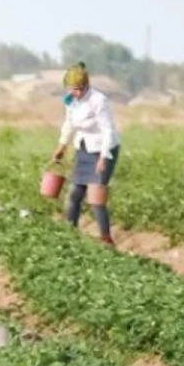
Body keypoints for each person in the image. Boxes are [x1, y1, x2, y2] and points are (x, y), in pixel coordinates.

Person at [52, 63, 121, 242]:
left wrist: (103, 157)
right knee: (75, 193)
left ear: (85, 86)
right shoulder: (71, 100)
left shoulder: (98, 100)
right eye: (72, 89)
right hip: (83, 147)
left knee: (96, 197)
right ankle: (70, 234)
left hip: (102, 148)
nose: (75, 92)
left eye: (78, 89)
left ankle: (106, 238)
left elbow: (107, 130)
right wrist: (62, 145)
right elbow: (69, 123)